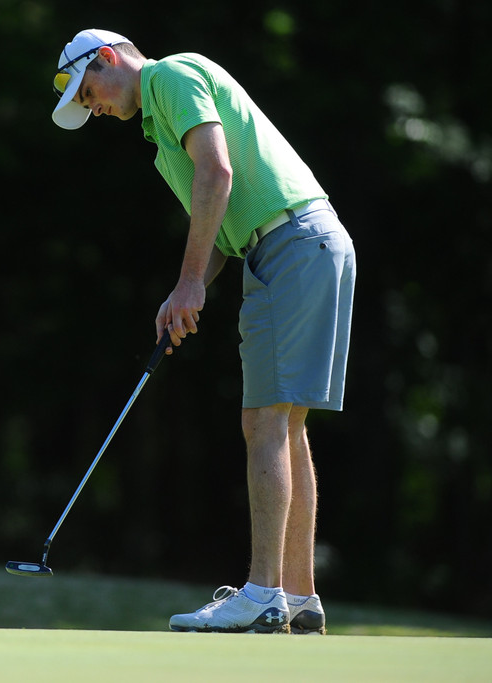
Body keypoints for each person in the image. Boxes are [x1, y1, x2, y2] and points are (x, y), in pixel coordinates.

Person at [51, 28, 355, 634]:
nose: (97, 108)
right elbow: (216, 227)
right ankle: (298, 596)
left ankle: (263, 593)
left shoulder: (171, 75)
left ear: (108, 58)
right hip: (303, 243)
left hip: (292, 242)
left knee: (264, 420)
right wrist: (184, 290)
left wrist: (191, 284)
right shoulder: (161, 141)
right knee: (286, 420)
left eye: (90, 93)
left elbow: (217, 174)